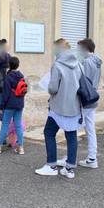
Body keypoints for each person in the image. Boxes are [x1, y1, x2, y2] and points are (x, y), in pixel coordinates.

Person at [35, 39, 82, 179]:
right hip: (74, 106)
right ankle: (70, 169)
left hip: (58, 106)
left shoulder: (57, 65)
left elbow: (53, 88)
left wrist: (48, 85)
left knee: (49, 132)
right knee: (71, 136)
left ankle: (51, 166)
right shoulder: (78, 63)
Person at [0, 56, 26, 155]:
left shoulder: (8, 77)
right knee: (18, 125)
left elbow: (6, 94)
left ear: (9, 65)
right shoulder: (22, 76)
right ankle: (20, 147)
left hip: (9, 105)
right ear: (18, 65)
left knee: (5, 124)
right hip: (19, 105)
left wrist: (1, 106)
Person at [77, 38, 103, 168]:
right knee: (90, 128)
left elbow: (82, 82)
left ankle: (71, 157)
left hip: (85, 99)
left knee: (73, 127)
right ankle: (92, 158)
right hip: (93, 97)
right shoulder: (97, 61)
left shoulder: (86, 62)